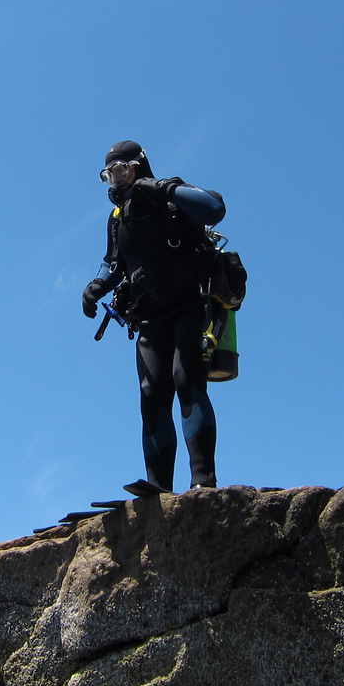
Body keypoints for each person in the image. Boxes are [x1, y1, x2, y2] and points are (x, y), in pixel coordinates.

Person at [82, 141, 226, 496]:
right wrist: (96, 287)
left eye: (121, 170)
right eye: (108, 175)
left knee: (186, 379)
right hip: (149, 317)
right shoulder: (118, 219)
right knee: (151, 394)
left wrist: (165, 188)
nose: (116, 180)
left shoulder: (170, 198)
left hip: (190, 305)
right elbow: (112, 263)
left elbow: (214, 208)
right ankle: (159, 487)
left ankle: (202, 480)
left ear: (139, 165)